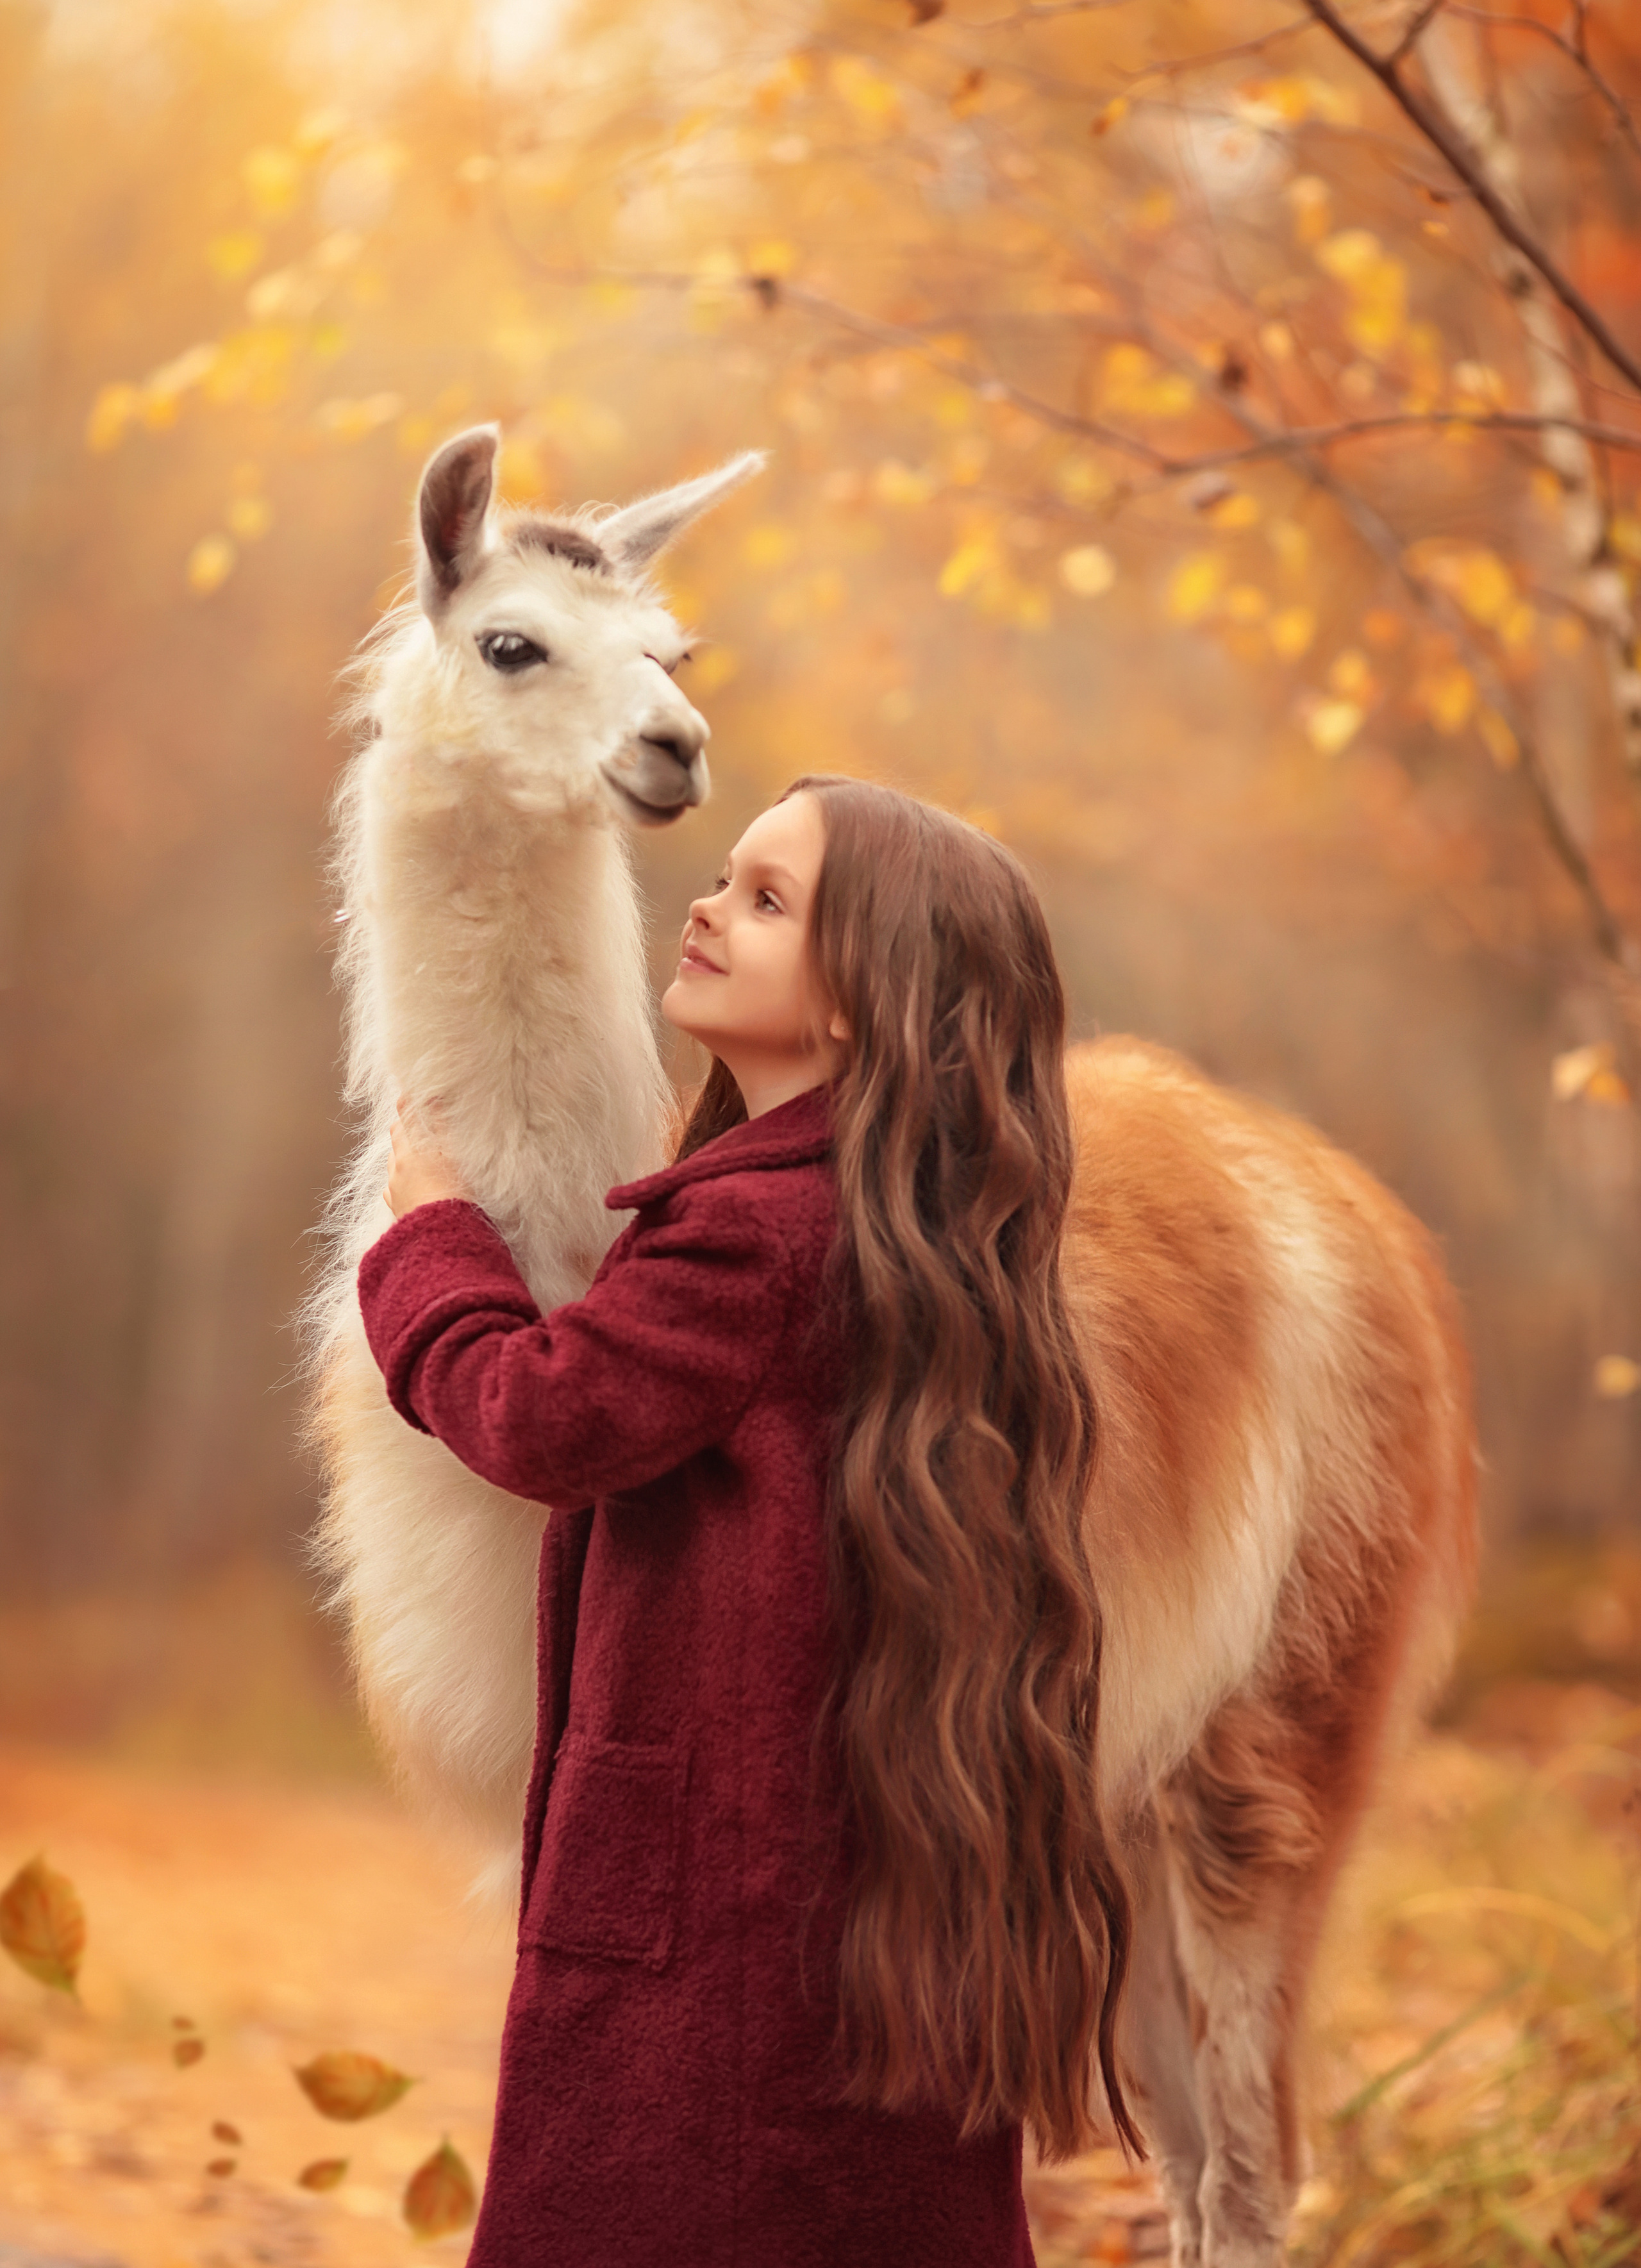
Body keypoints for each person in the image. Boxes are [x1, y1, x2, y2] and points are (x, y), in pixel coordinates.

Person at [360, 774, 1137, 2267]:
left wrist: (427, 1240)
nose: (708, 904)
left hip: (708, 1905)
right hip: (852, 1891)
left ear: (860, 1002)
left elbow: (542, 1415)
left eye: (769, 900)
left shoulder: (750, 1234)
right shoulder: (903, 1223)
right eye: (726, 875)